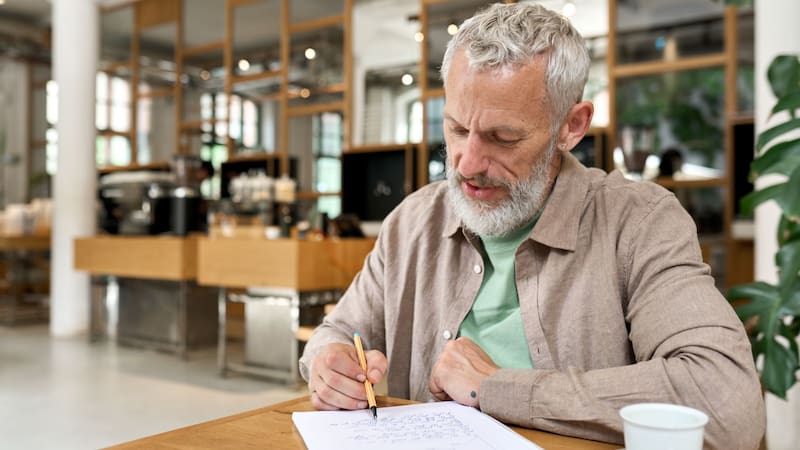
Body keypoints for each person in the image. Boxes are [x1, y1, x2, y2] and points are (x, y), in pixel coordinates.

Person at [299, 3, 765, 449]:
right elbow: (337, 333)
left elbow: (726, 403)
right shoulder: (413, 221)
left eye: (503, 138)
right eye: (458, 130)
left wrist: (497, 388)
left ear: (572, 127)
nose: (467, 164)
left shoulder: (637, 222)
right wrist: (328, 364)